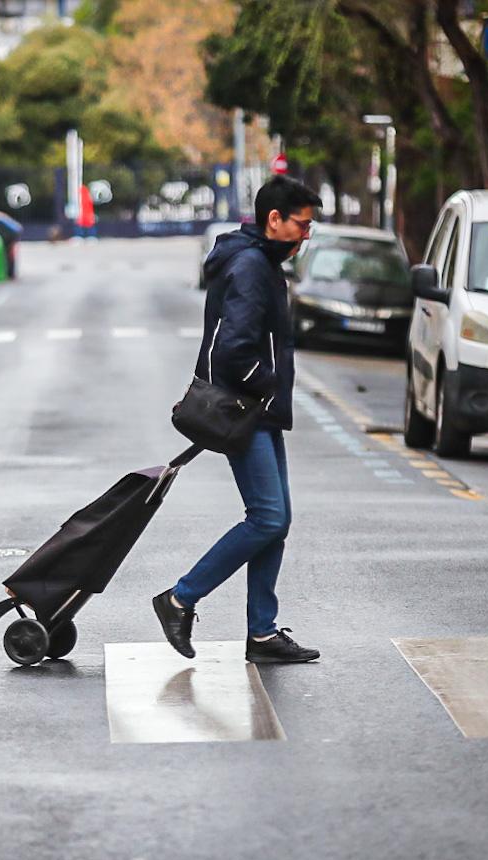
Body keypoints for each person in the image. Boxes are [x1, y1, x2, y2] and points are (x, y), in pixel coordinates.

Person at [153, 176, 322, 664]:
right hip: (244, 409)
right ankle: (180, 598)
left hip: (258, 412)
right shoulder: (251, 267)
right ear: (275, 220)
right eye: (301, 224)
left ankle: (263, 633)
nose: (306, 234)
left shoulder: (260, 261)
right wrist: (265, 386)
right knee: (267, 517)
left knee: (276, 521)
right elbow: (234, 352)